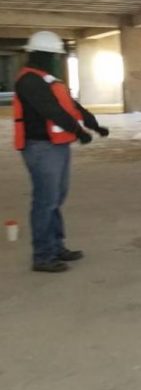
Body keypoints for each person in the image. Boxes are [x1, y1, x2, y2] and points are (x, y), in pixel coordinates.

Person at [13, 31, 109, 273]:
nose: (56, 60)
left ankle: (56, 247)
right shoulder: (29, 81)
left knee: (56, 199)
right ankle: (43, 256)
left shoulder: (48, 79)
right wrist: (79, 132)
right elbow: (52, 110)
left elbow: (71, 105)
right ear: (41, 55)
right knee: (45, 201)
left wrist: (94, 124)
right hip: (40, 147)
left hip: (57, 145)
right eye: (54, 56)